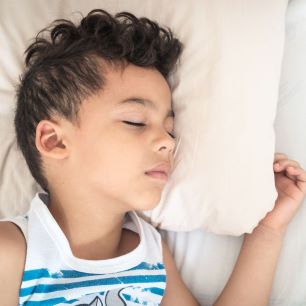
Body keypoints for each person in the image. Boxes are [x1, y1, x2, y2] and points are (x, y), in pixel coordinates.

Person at [0, 8, 305, 306]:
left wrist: (268, 231)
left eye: (170, 131)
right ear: (54, 141)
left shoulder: (151, 254)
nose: (168, 143)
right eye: (135, 121)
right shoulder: (13, 252)